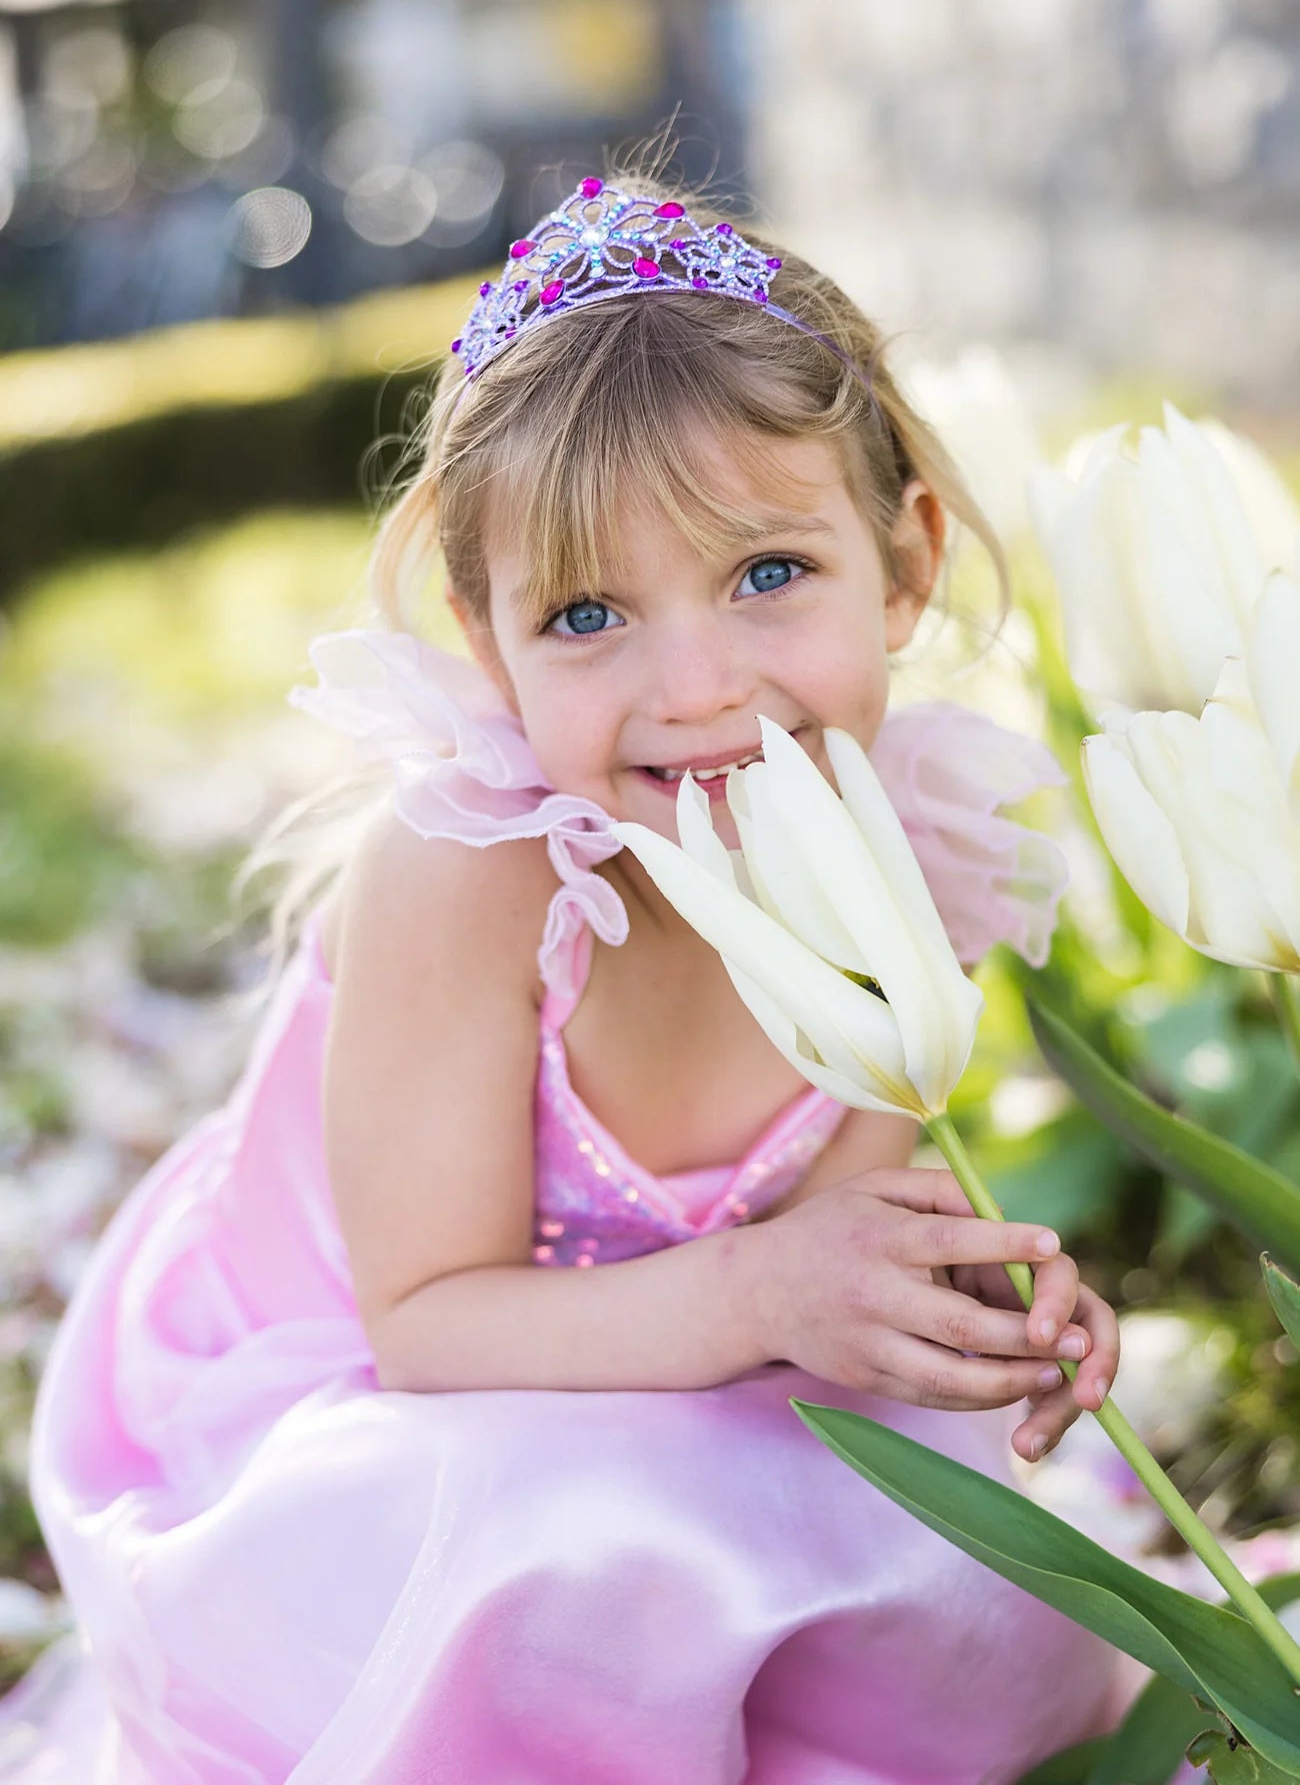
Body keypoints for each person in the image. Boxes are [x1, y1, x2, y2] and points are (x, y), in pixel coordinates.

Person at [0, 168, 1132, 1784]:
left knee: (960, 1575)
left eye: (766, 574)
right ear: (488, 641)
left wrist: (974, 1309)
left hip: (705, 1380)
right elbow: (426, 1327)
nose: (699, 689)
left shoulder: (911, 857)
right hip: (393, 1396)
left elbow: (850, 1254)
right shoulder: (470, 876)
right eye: (588, 611)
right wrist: (765, 1293)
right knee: (564, 1537)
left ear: (905, 561)